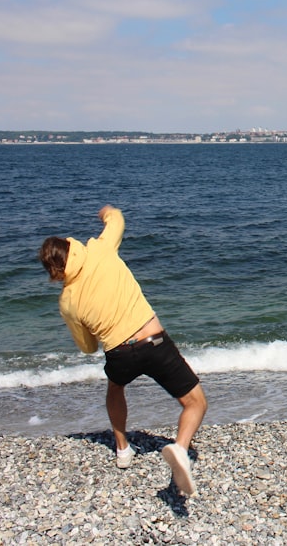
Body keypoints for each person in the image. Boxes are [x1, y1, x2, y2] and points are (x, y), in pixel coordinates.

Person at [39, 205, 207, 496]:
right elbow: (116, 219)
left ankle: (122, 449)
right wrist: (106, 211)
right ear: (71, 246)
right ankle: (180, 449)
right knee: (195, 402)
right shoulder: (100, 250)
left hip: (119, 354)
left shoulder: (67, 301)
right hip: (153, 343)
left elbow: (88, 346)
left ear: (54, 270)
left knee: (115, 386)